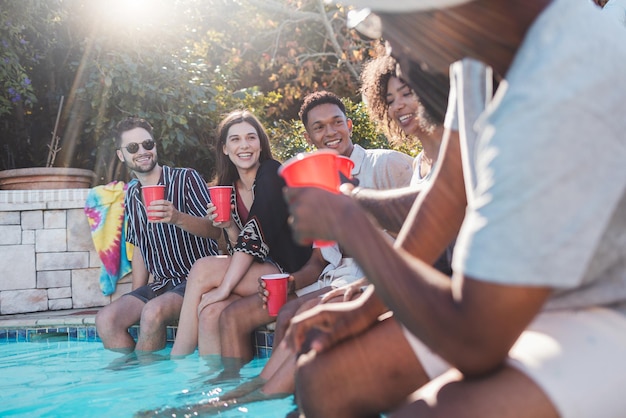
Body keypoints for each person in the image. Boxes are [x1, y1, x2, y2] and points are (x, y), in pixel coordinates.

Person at [283, 1, 626, 417]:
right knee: (325, 377)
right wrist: (365, 308)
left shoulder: (561, 84)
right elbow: (446, 194)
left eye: (396, 32)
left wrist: (352, 226)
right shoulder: (474, 55)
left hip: (605, 309)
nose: (401, 63)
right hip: (524, 295)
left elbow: (477, 341)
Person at [169, 109, 312, 358]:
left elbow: (257, 236)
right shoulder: (228, 189)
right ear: (224, 148)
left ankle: (177, 364)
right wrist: (229, 227)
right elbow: (242, 250)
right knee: (210, 313)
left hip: (288, 271)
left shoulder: (272, 173)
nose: (244, 146)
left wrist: (224, 288)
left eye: (251, 138)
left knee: (203, 269)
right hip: (260, 269)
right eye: (235, 139)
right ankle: (217, 389)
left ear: (260, 143)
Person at [95, 117, 221, 354]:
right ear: (121, 155)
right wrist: (136, 294)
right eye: (133, 148)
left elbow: (215, 231)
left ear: (155, 145)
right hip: (162, 284)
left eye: (147, 144)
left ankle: (147, 382)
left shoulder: (186, 179)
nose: (142, 151)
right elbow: (141, 246)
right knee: (106, 320)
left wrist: (177, 217)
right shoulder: (131, 193)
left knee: (152, 312)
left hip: (196, 282)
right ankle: (130, 381)